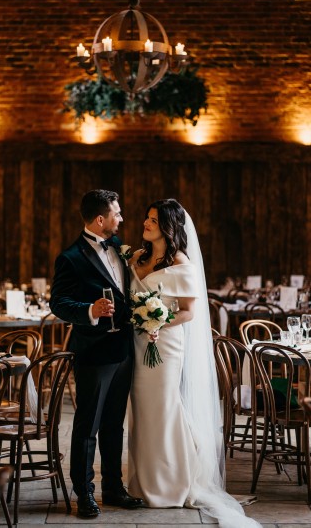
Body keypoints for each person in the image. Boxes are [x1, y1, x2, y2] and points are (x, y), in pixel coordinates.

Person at [128, 198, 261, 528]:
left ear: (169, 228)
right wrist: (142, 323)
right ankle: (143, 481)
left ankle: (173, 482)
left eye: (154, 220)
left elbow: (188, 311)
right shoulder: (136, 257)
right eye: (146, 218)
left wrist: (157, 322)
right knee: (142, 411)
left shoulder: (181, 261)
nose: (146, 223)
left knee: (165, 407)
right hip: (137, 343)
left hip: (166, 344)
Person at [50, 189, 144, 518]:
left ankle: (114, 488)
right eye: (117, 214)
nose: (122, 219)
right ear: (101, 219)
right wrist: (90, 309)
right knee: (87, 425)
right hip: (93, 350)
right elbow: (58, 303)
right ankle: (84, 493)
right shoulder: (71, 257)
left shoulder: (119, 248)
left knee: (114, 423)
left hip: (123, 349)